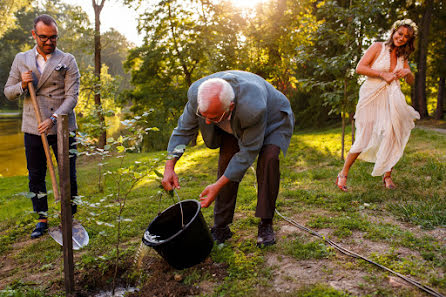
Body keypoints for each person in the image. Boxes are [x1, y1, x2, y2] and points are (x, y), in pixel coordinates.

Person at [162, 70, 294, 247]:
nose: (207, 123)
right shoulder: (196, 96)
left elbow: (248, 152)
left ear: (230, 106)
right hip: (233, 120)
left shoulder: (253, 109)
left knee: (269, 160)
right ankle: (221, 226)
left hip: (273, 118)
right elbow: (183, 131)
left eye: (213, 117)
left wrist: (217, 186)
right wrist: (169, 166)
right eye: (204, 115)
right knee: (226, 159)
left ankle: (266, 223)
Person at [4, 14, 80, 238]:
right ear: (34, 35)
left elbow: (72, 97)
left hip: (62, 127)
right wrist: (22, 85)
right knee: (36, 175)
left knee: (68, 174)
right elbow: (8, 91)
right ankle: (42, 218)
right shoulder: (21, 59)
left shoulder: (68, 60)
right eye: (44, 38)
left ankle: (69, 217)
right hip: (33, 127)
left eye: (53, 37)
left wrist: (54, 118)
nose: (49, 42)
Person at [336, 19, 420, 191]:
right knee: (364, 136)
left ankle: (387, 176)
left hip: (391, 98)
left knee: (392, 132)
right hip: (371, 96)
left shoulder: (402, 56)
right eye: (400, 33)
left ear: (409, 40)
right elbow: (360, 68)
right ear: (394, 31)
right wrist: (383, 74)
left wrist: (408, 72)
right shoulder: (377, 47)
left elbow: (410, 81)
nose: (402, 38)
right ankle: (343, 173)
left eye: (406, 37)